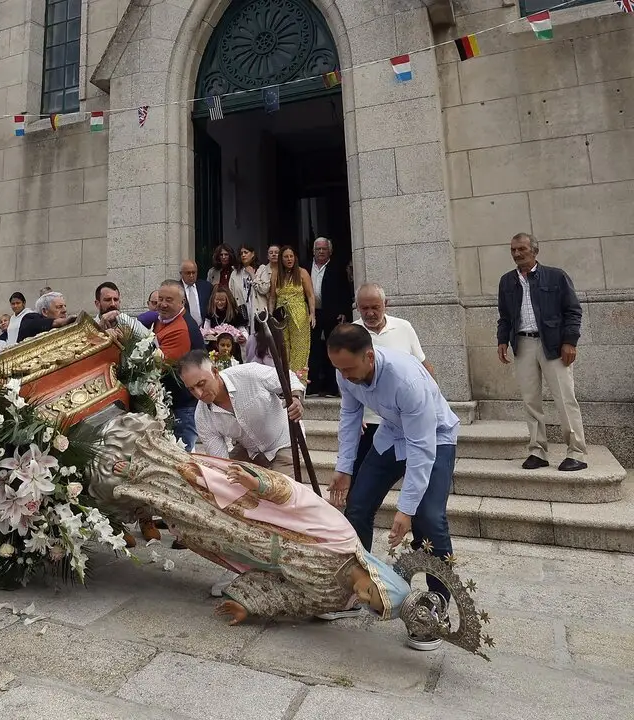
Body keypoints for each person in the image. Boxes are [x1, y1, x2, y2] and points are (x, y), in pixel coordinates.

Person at [91, 413, 477, 656]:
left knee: (182, 518)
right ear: (378, 576)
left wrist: (250, 605)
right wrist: (257, 481)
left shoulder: (330, 596)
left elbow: (286, 596)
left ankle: (130, 489)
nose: (361, 598)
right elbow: (298, 499)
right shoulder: (340, 537)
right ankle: (131, 458)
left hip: (236, 543)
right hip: (248, 511)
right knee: (190, 483)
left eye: (370, 608)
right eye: (372, 593)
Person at [326, 324, 459, 651]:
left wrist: (406, 510)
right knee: (357, 505)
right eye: (338, 369)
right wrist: (344, 468)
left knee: (429, 517)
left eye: (349, 368)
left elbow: (422, 448)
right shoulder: (348, 373)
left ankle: (435, 602)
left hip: (435, 439)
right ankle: (360, 586)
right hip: (391, 436)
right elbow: (349, 416)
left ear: (369, 356)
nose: (343, 376)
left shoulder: (406, 380)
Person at [496, 232, 588, 471]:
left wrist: (570, 341)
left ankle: (576, 451)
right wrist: (502, 341)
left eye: (521, 249)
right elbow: (504, 317)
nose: (517, 254)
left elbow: (573, 311)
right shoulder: (507, 281)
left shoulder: (556, 277)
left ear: (534, 251)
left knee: (565, 398)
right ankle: (538, 451)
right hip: (523, 344)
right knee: (530, 400)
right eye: (513, 250)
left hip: (554, 344)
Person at [352, 283, 436, 480]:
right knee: (361, 481)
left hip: (406, 419)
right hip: (370, 421)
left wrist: (433, 405)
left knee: (418, 477)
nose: (370, 313)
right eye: (364, 308)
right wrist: (355, 417)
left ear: (385, 304)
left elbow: (424, 368)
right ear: (357, 307)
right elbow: (348, 380)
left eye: (375, 307)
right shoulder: (351, 333)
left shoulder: (404, 327)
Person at [178, 350, 304, 477]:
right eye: (192, 389)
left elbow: (288, 379)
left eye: (201, 384)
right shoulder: (202, 416)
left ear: (215, 372)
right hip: (251, 451)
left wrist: (295, 398)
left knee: (281, 492)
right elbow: (220, 463)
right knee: (223, 480)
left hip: (285, 442)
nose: (199, 394)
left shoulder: (248, 374)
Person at [149, 280, 207, 450]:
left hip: (184, 406)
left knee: (183, 459)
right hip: (174, 403)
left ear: (182, 302)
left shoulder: (181, 329)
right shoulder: (165, 319)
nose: (163, 304)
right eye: (160, 299)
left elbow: (157, 366)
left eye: (169, 300)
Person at [306, 238, 353, 397]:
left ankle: (332, 387)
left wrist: (344, 311)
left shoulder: (337, 267)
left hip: (331, 313)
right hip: (312, 314)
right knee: (313, 350)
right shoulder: (306, 266)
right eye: (318, 249)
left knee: (332, 348)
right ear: (313, 251)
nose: (320, 252)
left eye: (324, 249)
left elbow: (345, 291)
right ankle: (313, 386)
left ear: (329, 251)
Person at [269, 245, 315, 381]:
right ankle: (285, 383)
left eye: (291, 256)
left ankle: (299, 383)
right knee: (283, 348)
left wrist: (312, 313)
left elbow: (310, 295)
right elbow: (272, 297)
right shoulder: (276, 274)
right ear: (281, 259)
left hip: (299, 313)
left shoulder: (302, 273)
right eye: (286, 257)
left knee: (300, 348)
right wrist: (270, 316)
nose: (289, 259)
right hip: (281, 315)